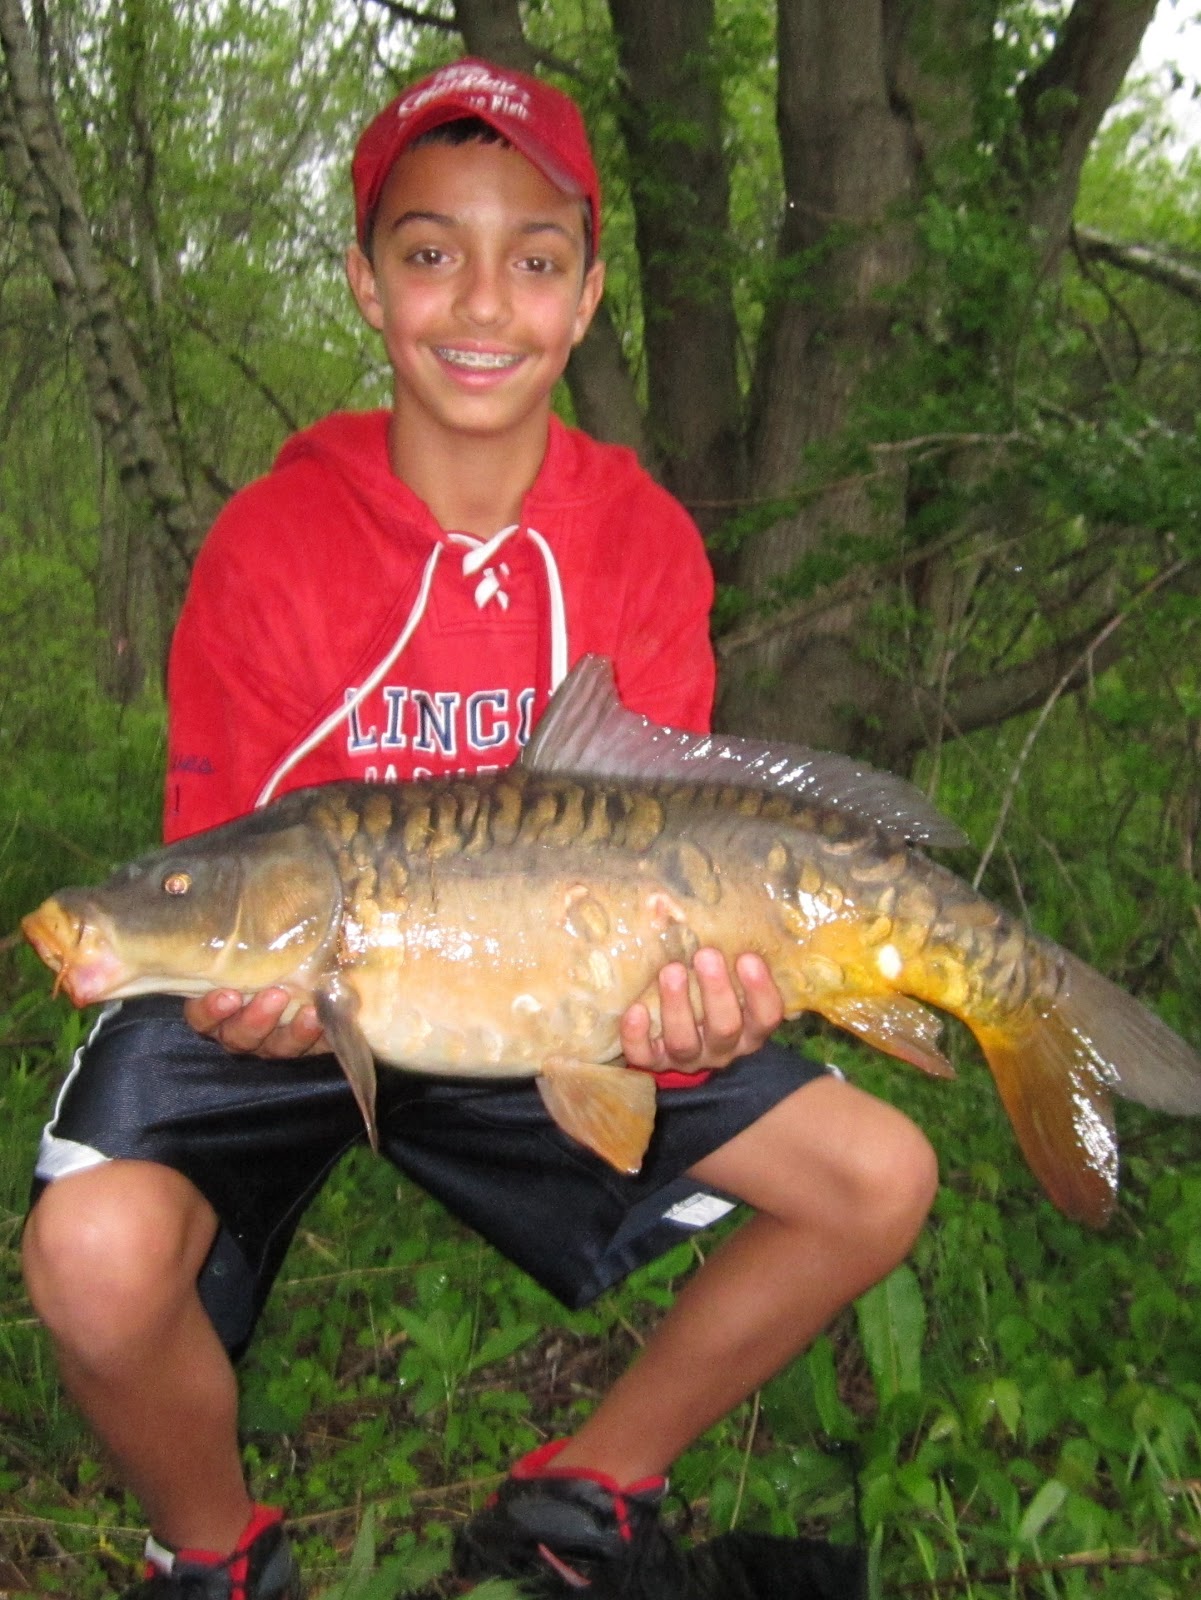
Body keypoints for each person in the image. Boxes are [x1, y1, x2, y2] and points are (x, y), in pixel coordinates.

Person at [21, 58, 938, 1600]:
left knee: (877, 1175)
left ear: (584, 299)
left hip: (557, 996)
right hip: (304, 970)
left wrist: (690, 1013)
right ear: (367, 285)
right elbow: (217, 852)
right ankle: (212, 1556)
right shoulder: (268, 543)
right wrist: (228, 988)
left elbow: (672, 841)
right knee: (92, 1263)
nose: (480, 302)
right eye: (430, 250)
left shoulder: (641, 539)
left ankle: (584, 1491)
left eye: (533, 259)